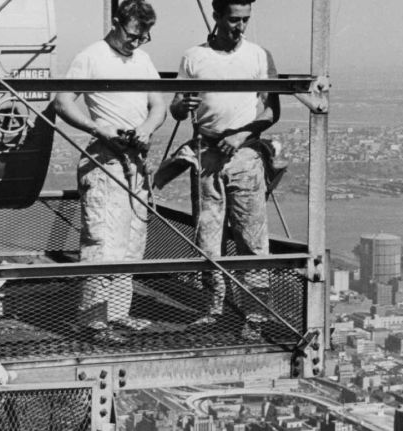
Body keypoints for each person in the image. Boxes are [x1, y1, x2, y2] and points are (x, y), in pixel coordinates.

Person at [52, 0, 166, 342]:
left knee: (131, 242)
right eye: (132, 35)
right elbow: (62, 102)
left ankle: (117, 314)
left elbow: (158, 103)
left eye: (143, 37)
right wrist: (98, 129)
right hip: (105, 160)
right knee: (103, 242)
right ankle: (91, 321)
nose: (136, 43)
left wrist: (146, 127)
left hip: (136, 161)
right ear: (116, 23)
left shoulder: (143, 60)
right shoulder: (91, 57)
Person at [162, 0, 280, 325]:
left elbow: (272, 111)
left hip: (244, 156)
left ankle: (256, 315)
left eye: (245, 20)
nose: (239, 27)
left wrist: (242, 135)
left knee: (251, 237)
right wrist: (182, 105)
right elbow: (175, 107)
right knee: (208, 235)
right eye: (233, 20)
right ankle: (213, 310)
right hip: (206, 154)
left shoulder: (259, 56)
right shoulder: (194, 57)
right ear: (217, 16)